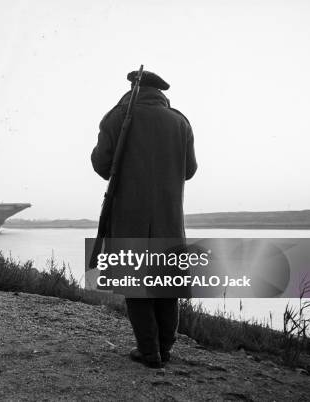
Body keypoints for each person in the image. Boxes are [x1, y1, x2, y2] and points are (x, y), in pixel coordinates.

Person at [91, 70, 197, 368]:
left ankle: (149, 352)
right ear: (161, 93)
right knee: (167, 285)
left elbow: (102, 164)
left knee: (135, 283)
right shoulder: (180, 121)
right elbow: (189, 169)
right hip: (169, 216)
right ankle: (164, 349)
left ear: (133, 88)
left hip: (128, 215)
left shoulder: (116, 117)